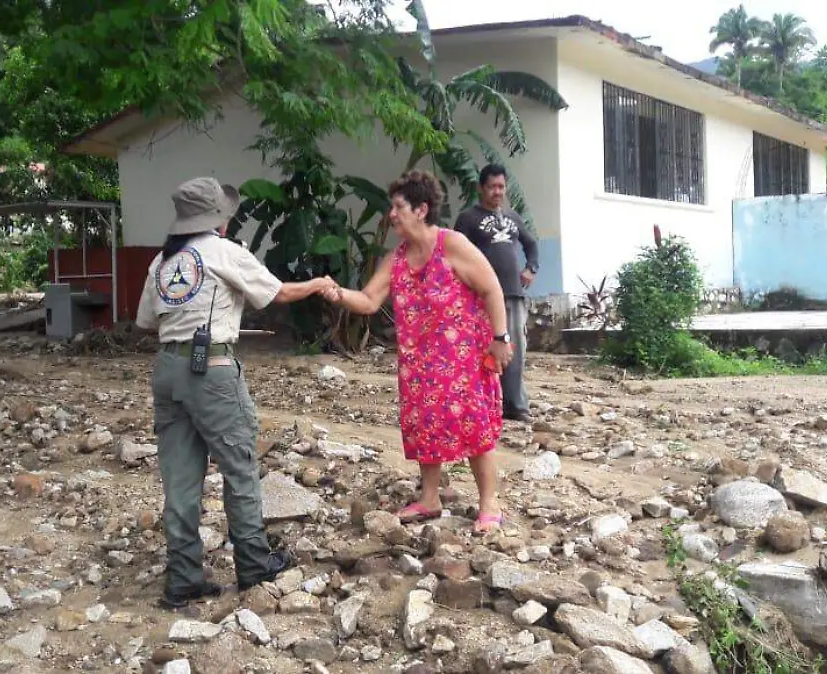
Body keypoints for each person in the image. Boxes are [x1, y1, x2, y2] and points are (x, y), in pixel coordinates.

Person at [136, 176, 336, 608]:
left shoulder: (163, 261)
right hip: (211, 368)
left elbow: (147, 321)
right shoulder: (224, 252)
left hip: (167, 369)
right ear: (218, 219)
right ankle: (253, 564)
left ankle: (183, 579)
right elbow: (278, 292)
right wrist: (318, 284)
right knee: (239, 468)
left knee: (180, 478)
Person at [321, 170, 513, 534]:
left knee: (473, 427)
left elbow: (492, 288)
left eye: (398, 207)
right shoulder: (397, 258)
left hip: (463, 359)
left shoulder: (452, 244)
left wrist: (501, 338)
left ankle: (489, 503)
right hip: (419, 363)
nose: (391, 214)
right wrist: (338, 293)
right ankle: (429, 498)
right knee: (424, 426)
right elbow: (369, 300)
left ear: (421, 210)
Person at [453, 164, 539, 423]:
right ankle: (483, 405)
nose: (497, 192)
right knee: (481, 350)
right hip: (480, 296)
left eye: (501, 186)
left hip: (512, 293)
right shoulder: (468, 218)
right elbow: (456, 254)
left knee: (515, 350)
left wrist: (531, 268)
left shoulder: (513, 217)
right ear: (481, 188)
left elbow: (531, 244)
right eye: (492, 187)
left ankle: (515, 406)